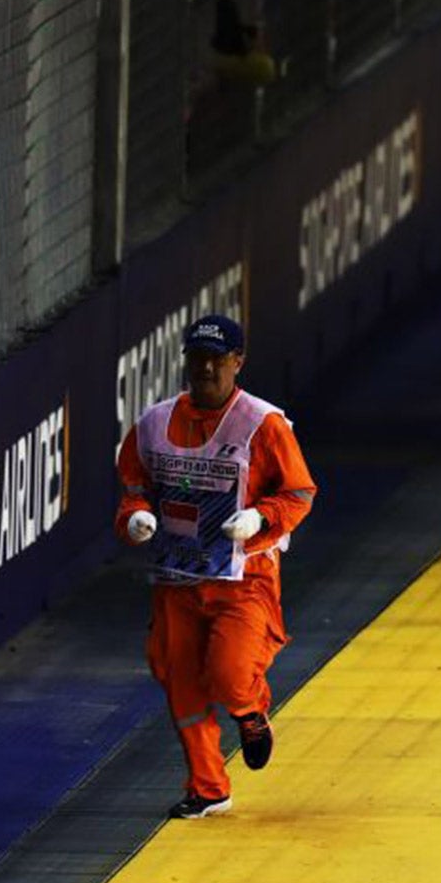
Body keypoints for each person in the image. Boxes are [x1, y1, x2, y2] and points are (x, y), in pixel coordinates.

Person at [116, 314, 316, 819]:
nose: (206, 368)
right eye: (198, 358)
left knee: (230, 674)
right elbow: (134, 487)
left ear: (237, 362)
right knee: (179, 678)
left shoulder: (263, 424)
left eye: (217, 359)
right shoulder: (153, 424)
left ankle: (249, 711)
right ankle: (208, 788)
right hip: (178, 578)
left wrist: (259, 518)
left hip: (243, 577)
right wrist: (135, 518)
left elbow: (298, 493)